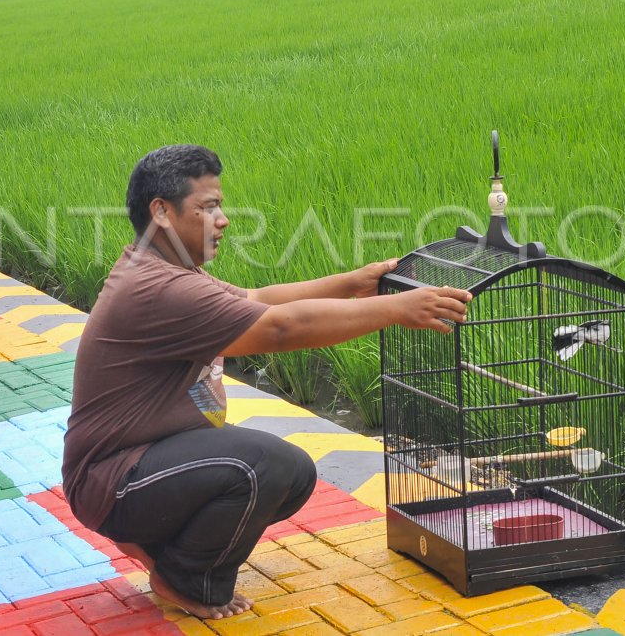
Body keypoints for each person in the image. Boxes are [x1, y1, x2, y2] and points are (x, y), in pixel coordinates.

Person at [61, 145, 471, 621]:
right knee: (263, 466)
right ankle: (183, 578)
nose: (224, 219)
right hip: (113, 479)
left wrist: (353, 283)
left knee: (293, 474)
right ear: (162, 212)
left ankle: (161, 543)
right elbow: (280, 328)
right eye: (208, 207)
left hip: (139, 464)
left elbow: (256, 299)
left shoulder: (166, 271)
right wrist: (395, 310)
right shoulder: (159, 288)